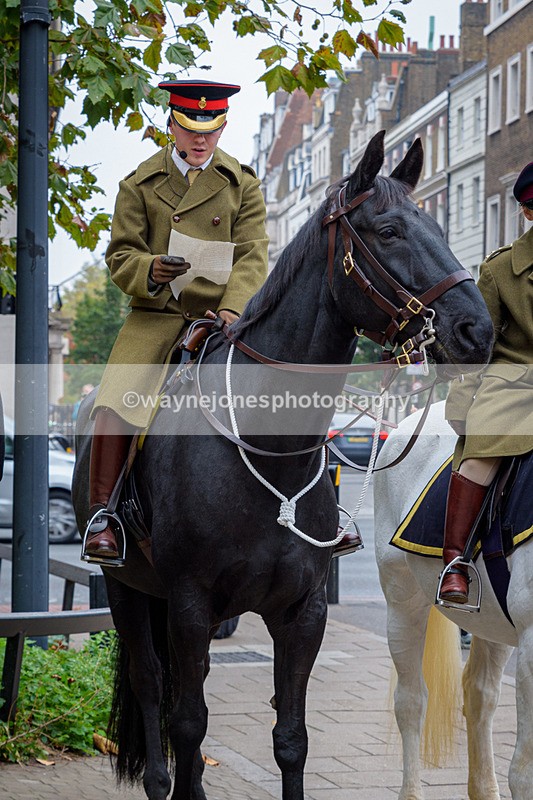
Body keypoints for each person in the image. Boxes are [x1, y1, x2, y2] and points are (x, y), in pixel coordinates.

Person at [82, 79, 269, 565]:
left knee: (284, 388)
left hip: (220, 317)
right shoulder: (139, 183)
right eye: (189, 128)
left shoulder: (241, 185)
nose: (200, 139)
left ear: (223, 127)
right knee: (116, 398)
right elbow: (120, 255)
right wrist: (149, 269)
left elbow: (252, 257)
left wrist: (231, 311)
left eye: (209, 129)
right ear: (172, 125)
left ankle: (310, 513)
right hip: (157, 316)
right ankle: (104, 518)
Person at [438, 161, 533, 605]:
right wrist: (462, 407)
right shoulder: (500, 271)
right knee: (482, 453)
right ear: (527, 213)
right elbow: (476, 347)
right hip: (515, 382)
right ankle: (454, 562)